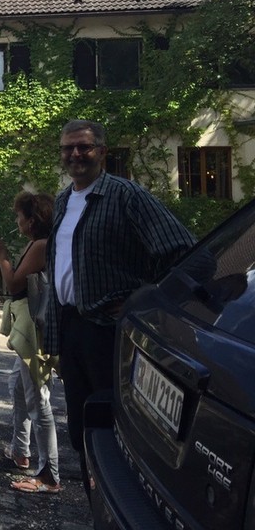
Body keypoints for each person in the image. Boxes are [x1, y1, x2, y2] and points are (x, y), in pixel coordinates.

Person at [43, 119, 196, 497]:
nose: (75, 154)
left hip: (110, 333)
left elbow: (189, 256)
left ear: (102, 152)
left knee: (116, 428)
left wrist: (141, 301)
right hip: (72, 328)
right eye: (68, 148)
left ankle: (124, 502)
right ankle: (94, 501)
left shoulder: (127, 197)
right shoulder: (64, 200)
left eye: (84, 147)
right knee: (81, 426)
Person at [0, 192, 61, 494]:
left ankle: (50, 476)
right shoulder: (39, 243)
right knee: (17, 385)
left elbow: (14, 283)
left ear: (32, 220)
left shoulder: (41, 245)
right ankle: (20, 450)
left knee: (38, 400)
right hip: (31, 330)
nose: (17, 221)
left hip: (36, 332)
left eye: (20, 216)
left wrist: (0, 252)